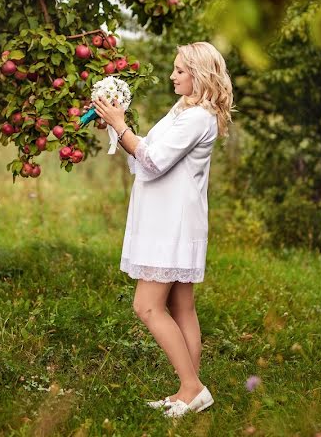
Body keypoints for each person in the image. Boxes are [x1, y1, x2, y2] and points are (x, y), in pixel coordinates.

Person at [88, 41, 234, 418]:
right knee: (180, 305)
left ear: (200, 75)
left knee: (147, 306)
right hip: (169, 219)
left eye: (181, 71)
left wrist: (122, 126)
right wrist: (119, 129)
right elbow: (146, 152)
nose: (173, 75)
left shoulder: (197, 118)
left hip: (170, 224)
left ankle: (193, 388)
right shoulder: (183, 111)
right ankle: (190, 391)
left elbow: (152, 161)